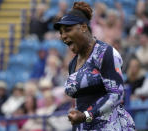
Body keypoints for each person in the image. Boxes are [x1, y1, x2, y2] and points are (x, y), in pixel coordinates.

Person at [54, 1, 135, 130]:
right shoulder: (73, 63)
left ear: (84, 27)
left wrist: (86, 115)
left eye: (68, 30)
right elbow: (80, 102)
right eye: (61, 32)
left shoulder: (105, 53)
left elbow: (117, 94)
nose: (63, 36)